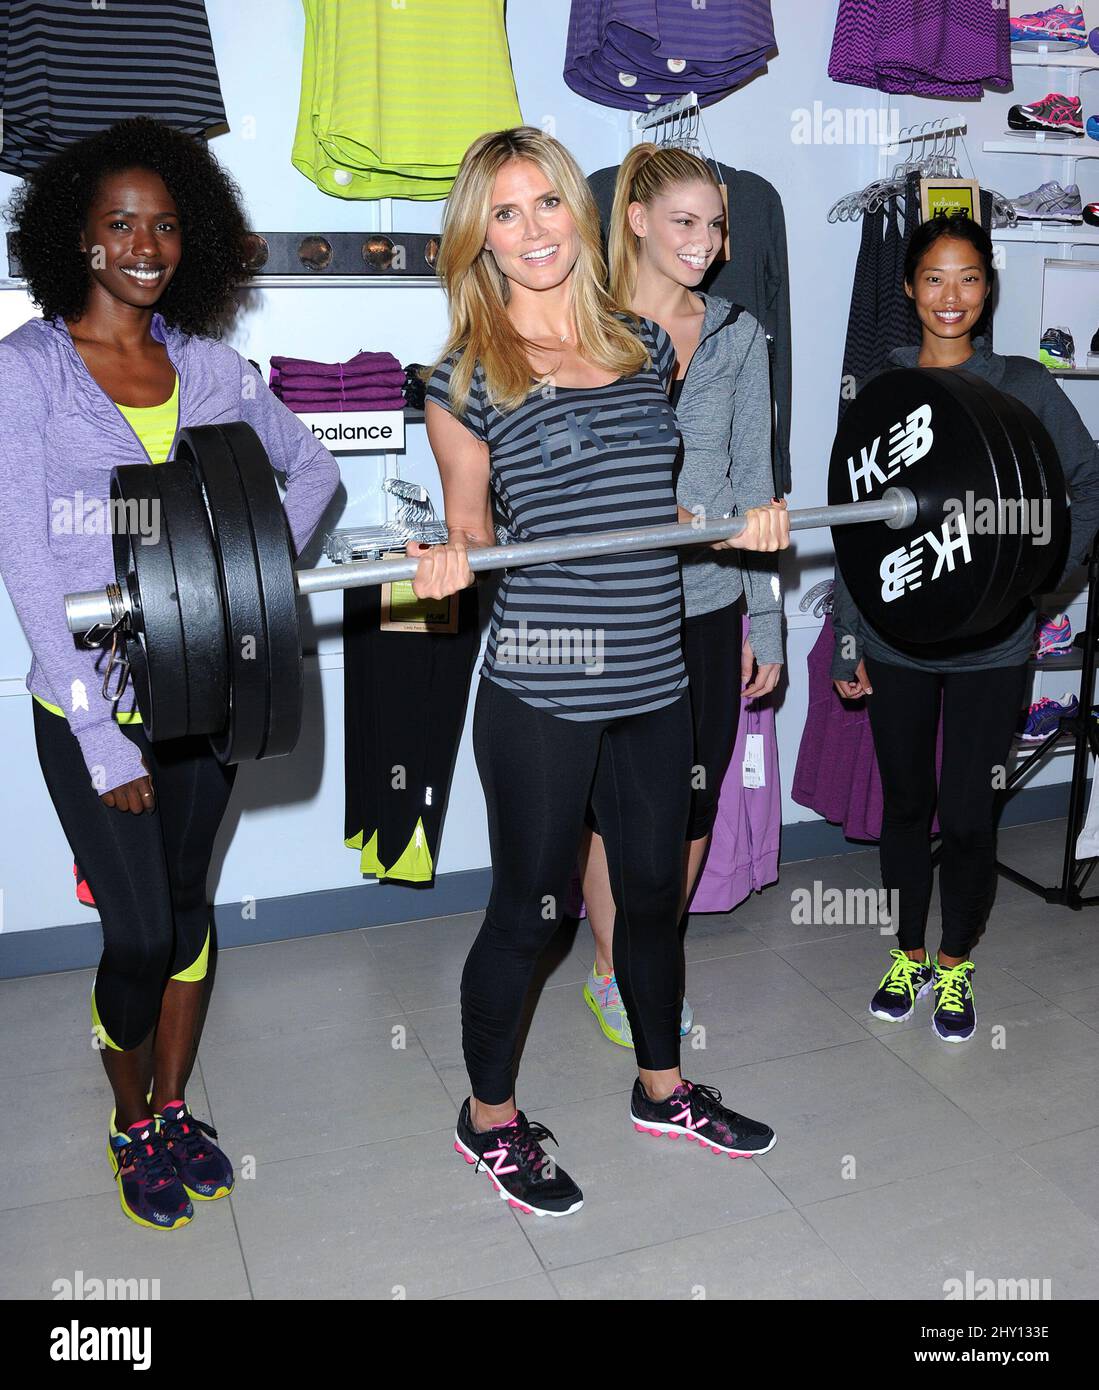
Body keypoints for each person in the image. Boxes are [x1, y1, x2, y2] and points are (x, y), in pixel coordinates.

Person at [415, 126, 789, 1218]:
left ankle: (661, 1088)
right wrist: (444, 564)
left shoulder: (640, 344)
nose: (532, 230)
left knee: (649, 902)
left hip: (656, 677)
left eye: (546, 204)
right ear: (477, 237)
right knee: (533, 915)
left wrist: (733, 525)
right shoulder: (462, 377)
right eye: (505, 212)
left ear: (580, 215)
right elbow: (473, 532)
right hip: (542, 683)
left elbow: (647, 505)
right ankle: (487, 1119)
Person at [0, 118, 340, 1229]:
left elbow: (313, 469)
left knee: (190, 904)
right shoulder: (31, 371)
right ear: (78, 240)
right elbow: (27, 565)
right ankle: (124, 1115)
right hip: (95, 706)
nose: (145, 243)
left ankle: (172, 1109)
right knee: (138, 932)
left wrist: (244, 575)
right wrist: (99, 734)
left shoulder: (205, 367)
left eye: (164, 224)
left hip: (206, 690)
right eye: (119, 225)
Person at [831, 212, 1099, 1042]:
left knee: (970, 812)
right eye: (934, 279)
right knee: (906, 803)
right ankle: (907, 951)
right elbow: (853, 523)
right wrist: (847, 635)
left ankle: (954, 966)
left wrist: (1044, 582)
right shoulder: (878, 392)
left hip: (991, 644)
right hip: (894, 641)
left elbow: (1086, 482)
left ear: (987, 289)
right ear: (909, 289)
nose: (951, 296)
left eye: (969, 278)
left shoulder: (1020, 383)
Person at [578, 143, 783, 1049]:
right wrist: (650, 506)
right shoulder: (584, 325)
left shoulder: (739, 333)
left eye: (715, 225)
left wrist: (764, 619)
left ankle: (652, 956)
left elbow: (754, 480)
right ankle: (613, 972)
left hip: (706, 602)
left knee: (693, 801)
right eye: (684, 223)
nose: (704, 242)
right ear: (635, 221)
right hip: (611, 603)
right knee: (612, 802)